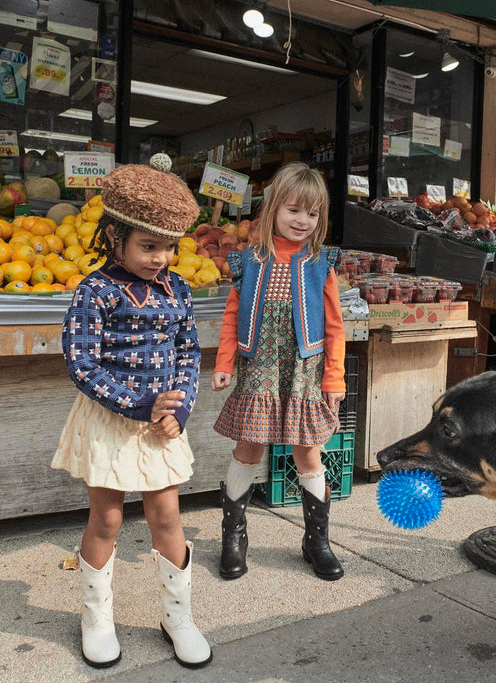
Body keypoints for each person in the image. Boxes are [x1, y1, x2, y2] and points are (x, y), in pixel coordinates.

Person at [51, 157, 212, 670]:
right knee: (108, 518)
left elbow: (189, 352)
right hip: (110, 421)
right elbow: (82, 364)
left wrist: (180, 407)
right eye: (148, 246)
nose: (161, 257)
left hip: (162, 426)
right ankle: (96, 618)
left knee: (167, 515)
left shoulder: (179, 289)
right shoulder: (94, 291)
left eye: (169, 246)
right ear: (114, 236)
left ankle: (177, 616)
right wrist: (141, 404)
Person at [212, 161, 346, 582]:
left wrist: (334, 378)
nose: (303, 221)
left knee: (308, 452)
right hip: (259, 373)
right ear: (273, 209)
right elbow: (233, 315)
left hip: (304, 372)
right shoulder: (249, 260)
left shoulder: (322, 263)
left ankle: (316, 541)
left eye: (312, 213)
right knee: (249, 447)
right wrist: (224, 363)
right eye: (293, 210)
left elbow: (335, 326)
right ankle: (233, 535)